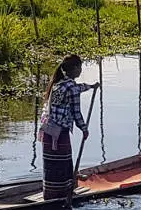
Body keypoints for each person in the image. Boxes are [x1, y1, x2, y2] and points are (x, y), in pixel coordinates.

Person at [39, 54, 99, 201]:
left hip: (48, 132)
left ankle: (51, 194)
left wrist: (91, 87)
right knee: (63, 164)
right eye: (80, 67)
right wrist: (84, 129)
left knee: (51, 166)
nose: (80, 70)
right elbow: (76, 112)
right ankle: (63, 196)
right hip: (60, 135)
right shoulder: (70, 87)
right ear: (75, 68)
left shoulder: (57, 84)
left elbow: (79, 87)